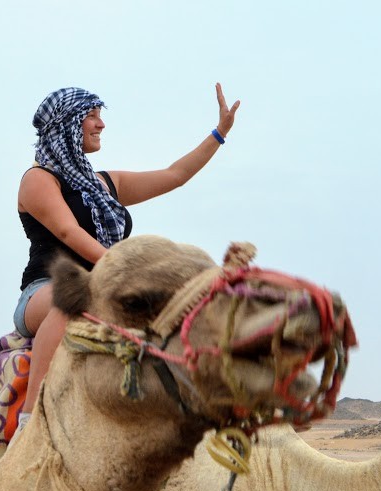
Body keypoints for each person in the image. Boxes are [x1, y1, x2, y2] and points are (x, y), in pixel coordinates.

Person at [12, 85, 239, 431]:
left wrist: (219, 134)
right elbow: (69, 233)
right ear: (67, 123)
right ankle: (29, 423)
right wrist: (126, 269)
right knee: (72, 299)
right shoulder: (38, 180)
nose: (101, 124)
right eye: (92, 115)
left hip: (104, 287)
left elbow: (174, 176)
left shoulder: (106, 183)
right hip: (46, 290)